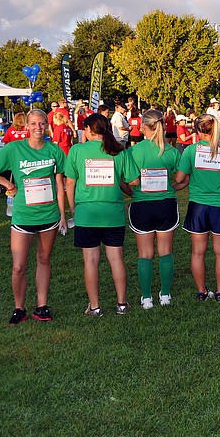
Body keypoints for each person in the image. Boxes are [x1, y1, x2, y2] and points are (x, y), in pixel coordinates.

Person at [0, 110, 67, 324]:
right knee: (19, 266)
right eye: (33, 123)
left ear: (47, 125)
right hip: (23, 216)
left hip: (49, 213)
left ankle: (42, 306)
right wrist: (8, 184)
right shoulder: (15, 149)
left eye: (42, 123)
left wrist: (63, 215)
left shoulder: (54, 151)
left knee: (44, 259)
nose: (38, 127)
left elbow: (60, 185)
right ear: (26, 126)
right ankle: (19, 308)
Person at [65, 114, 140, 317]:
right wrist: (119, 182)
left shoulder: (77, 150)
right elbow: (134, 181)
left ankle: (95, 307)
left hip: (86, 213)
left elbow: (69, 184)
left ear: (89, 130)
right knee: (116, 258)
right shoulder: (118, 151)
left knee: (90, 261)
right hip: (112, 213)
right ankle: (122, 304)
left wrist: (73, 209)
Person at [174, 114, 220, 302]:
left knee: (198, 252)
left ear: (197, 130)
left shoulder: (190, 151)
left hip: (198, 206)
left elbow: (180, 178)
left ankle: (201, 291)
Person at [125, 109, 182, 309]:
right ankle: (165, 295)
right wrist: (170, 188)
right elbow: (183, 179)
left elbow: (128, 180)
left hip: (142, 204)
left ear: (143, 127)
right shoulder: (172, 151)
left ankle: (147, 297)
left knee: (145, 254)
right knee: (165, 252)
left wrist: (132, 193)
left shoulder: (133, 151)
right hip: (166, 204)